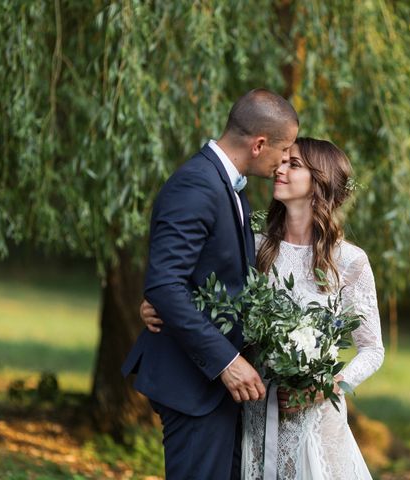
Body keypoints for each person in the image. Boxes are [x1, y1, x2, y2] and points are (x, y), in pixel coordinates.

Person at [142, 137, 385, 479]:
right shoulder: (255, 247)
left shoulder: (348, 261)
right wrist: (157, 307)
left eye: (294, 164)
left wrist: (328, 386)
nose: (280, 168)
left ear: (320, 183)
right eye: (283, 160)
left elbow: (373, 350)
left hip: (315, 421)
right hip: (254, 412)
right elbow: (207, 297)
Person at [122, 88, 299, 480]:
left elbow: (210, 280)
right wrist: (226, 362)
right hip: (194, 384)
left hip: (216, 391)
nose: (285, 159)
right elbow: (166, 285)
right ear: (259, 144)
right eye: (284, 149)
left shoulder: (228, 187)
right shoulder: (196, 186)